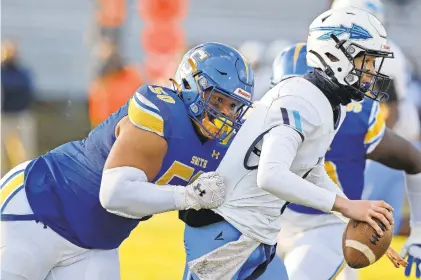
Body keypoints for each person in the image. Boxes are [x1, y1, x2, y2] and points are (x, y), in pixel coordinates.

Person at [0, 42, 254, 280]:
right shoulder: (163, 114)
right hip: (39, 206)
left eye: (233, 106)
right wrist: (189, 196)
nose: (225, 114)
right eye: (218, 100)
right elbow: (114, 194)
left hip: (97, 242)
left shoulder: (222, 147)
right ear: (191, 86)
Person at [182, 7, 397, 280]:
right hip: (225, 229)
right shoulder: (300, 100)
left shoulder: (330, 105)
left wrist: (353, 217)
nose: (369, 72)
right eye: (364, 61)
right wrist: (345, 206)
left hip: (256, 232)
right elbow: (271, 175)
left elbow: (312, 170)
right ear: (335, 55)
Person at [271, 42, 420, 280]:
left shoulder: (352, 119)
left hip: (325, 226)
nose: (295, 105)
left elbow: (414, 160)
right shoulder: (267, 118)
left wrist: (418, 231)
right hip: (273, 221)